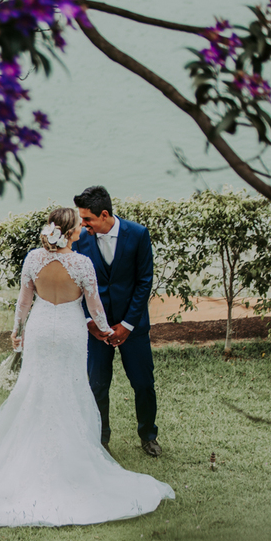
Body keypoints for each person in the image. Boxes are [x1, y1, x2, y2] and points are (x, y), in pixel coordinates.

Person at [0, 206, 174, 527]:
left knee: (36, 389)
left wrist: (17, 329)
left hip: (41, 330)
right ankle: (70, 463)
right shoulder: (82, 264)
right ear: (71, 232)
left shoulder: (33, 259)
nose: (83, 230)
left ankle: (26, 458)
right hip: (70, 333)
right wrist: (106, 330)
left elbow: (24, 302)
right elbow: (94, 305)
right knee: (70, 388)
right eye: (79, 227)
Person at [72, 185, 162, 457]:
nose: (82, 224)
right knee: (97, 384)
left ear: (104, 214)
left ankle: (148, 435)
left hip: (132, 327)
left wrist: (127, 325)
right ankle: (101, 440)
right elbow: (76, 284)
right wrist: (90, 321)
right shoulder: (80, 240)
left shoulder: (137, 234)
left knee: (143, 384)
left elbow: (144, 282)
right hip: (96, 330)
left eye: (87, 219)